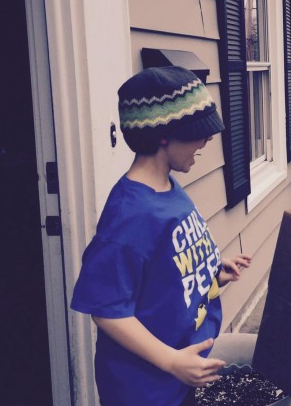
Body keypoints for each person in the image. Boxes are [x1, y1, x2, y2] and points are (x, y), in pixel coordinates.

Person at [71, 66, 252, 406]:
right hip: (145, 390)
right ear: (163, 135)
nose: (207, 140)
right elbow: (106, 310)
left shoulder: (170, 187)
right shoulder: (129, 216)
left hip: (180, 379)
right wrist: (172, 361)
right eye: (198, 132)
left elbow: (166, 272)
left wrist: (212, 274)